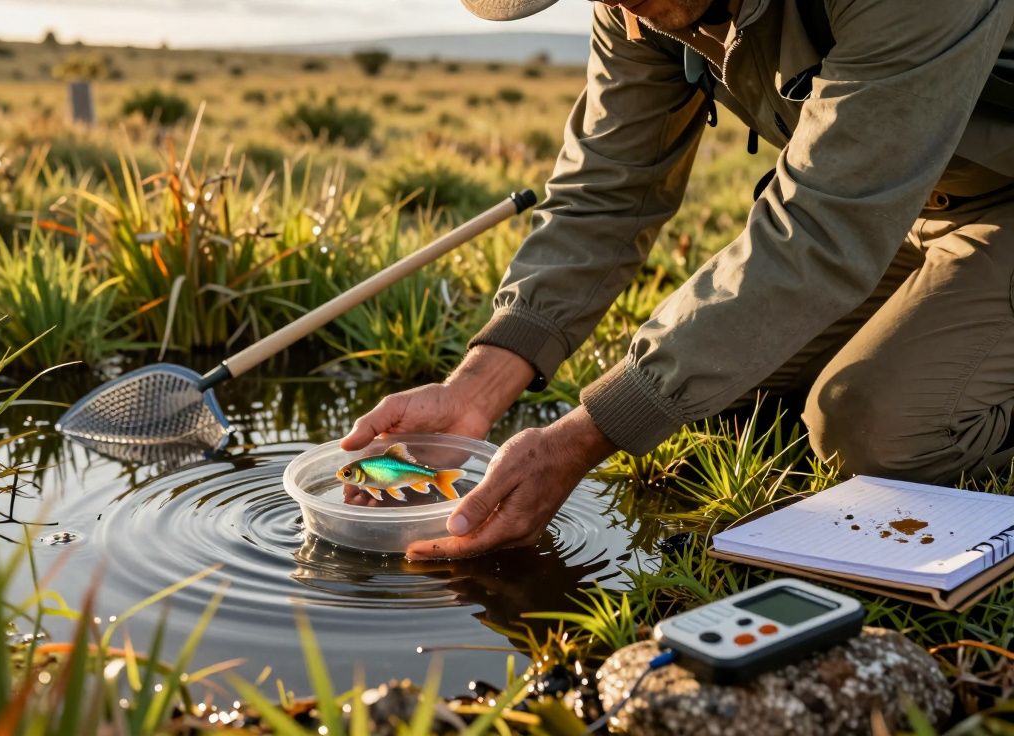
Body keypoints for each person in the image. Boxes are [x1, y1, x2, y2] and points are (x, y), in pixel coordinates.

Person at [341, 0, 1014, 559]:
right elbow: (606, 190)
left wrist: (580, 438)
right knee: (712, 392)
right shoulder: (634, 10)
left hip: (967, 202)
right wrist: (475, 388)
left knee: (868, 431)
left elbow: (821, 231)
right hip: (896, 205)